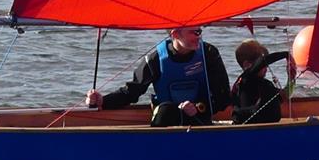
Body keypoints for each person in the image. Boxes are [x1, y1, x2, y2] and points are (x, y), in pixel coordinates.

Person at [86, 26, 230, 127]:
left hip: (199, 119)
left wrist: (198, 107)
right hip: (166, 120)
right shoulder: (155, 60)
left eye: (199, 32)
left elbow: (223, 97)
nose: (199, 37)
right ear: (175, 34)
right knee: (166, 109)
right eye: (194, 32)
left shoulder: (209, 54)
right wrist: (101, 101)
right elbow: (131, 92)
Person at [231, 39, 296, 125]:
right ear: (247, 65)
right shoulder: (245, 80)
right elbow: (260, 64)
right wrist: (285, 55)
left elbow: (285, 95)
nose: (266, 68)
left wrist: (291, 78)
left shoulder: (266, 85)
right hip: (250, 128)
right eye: (264, 65)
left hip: (268, 127)